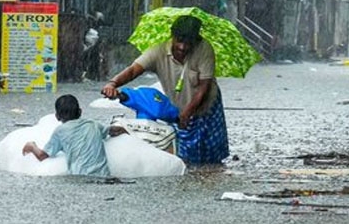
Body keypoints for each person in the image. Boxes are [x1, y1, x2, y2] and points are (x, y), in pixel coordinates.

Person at [101, 15, 229, 165]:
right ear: (172, 36)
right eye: (179, 41)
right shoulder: (158, 52)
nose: (182, 47)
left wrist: (188, 112)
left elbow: (204, 87)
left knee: (212, 154)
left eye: (188, 43)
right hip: (179, 107)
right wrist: (112, 84)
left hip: (206, 104)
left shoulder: (204, 49)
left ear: (195, 41)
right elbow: (133, 70)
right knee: (182, 152)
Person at [22, 94, 127, 176]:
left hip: (81, 177)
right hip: (104, 175)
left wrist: (32, 146)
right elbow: (113, 131)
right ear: (80, 112)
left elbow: (42, 156)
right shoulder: (93, 124)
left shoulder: (60, 131)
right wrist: (126, 130)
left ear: (57, 116)